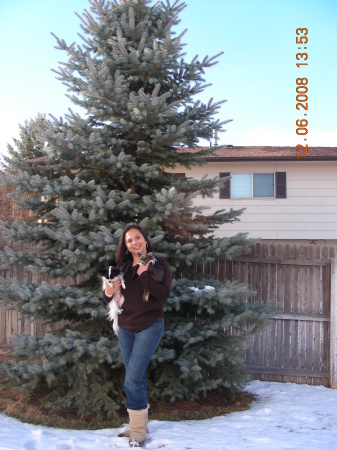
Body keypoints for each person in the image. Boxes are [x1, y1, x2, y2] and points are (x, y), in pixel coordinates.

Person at [103, 224, 172, 448]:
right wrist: (109, 292)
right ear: (125, 245)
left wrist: (145, 277)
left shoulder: (158, 264)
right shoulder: (122, 267)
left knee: (132, 377)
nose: (134, 242)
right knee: (135, 377)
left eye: (137, 237)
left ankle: (138, 432)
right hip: (126, 329)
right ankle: (137, 425)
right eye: (129, 240)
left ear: (145, 239)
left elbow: (163, 295)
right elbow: (109, 297)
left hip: (150, 326)